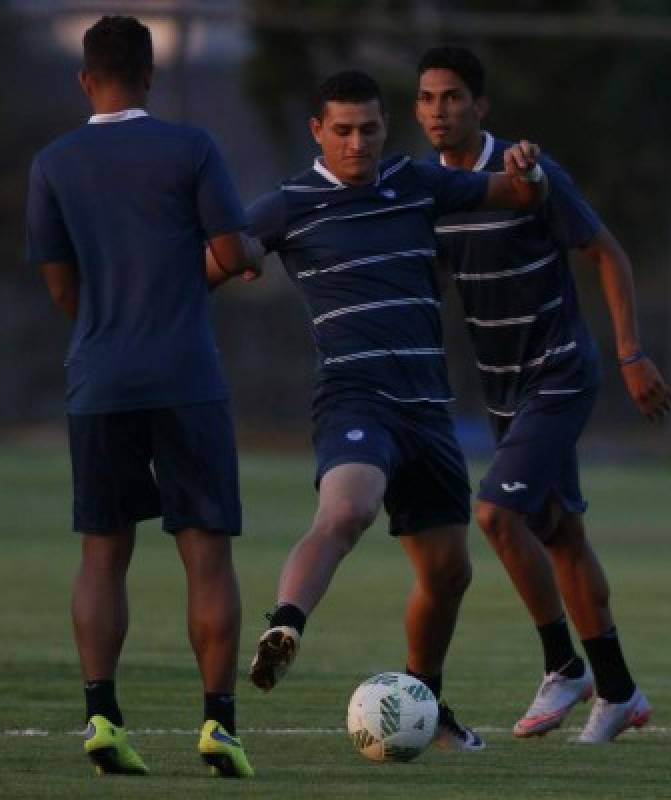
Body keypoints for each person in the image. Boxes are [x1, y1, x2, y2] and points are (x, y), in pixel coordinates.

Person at [235, 70, 548, 752]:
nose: (357, 143)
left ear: (385, 127)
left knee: (448, 574)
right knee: (347, 509)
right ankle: (285, 624)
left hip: (428, 408)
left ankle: (424, 701)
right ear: (317, 131)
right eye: (342, 130)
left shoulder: (414, 181)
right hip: (356, 395)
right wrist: (232, 254)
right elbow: (216, 258)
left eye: (369, 129)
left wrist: (530, 170)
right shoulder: (288, 203)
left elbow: (516, 194)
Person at [414, 47, 671, 744]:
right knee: (560, 533)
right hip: (503, 392)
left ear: (481, 107)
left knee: (499, 516)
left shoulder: (528, 173)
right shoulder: (428, 192)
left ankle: (565, 664)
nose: (440, 110)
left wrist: (631, 352)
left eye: (454, 97)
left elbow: (607, 254)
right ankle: (619, 692)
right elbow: (429, 284)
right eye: (428, 98)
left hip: (560, 371)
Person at [25, 15, 260, 777]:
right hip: (185, 376)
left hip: (101, 376)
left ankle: (102, 715)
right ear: (152, 75)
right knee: (206, 553)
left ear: (86, 79)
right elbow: (227, 252)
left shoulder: (54, 162)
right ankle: (217, 726)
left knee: (103, 550)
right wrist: (230, 263)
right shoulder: (192, 147)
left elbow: (60, 283)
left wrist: (106, 320)